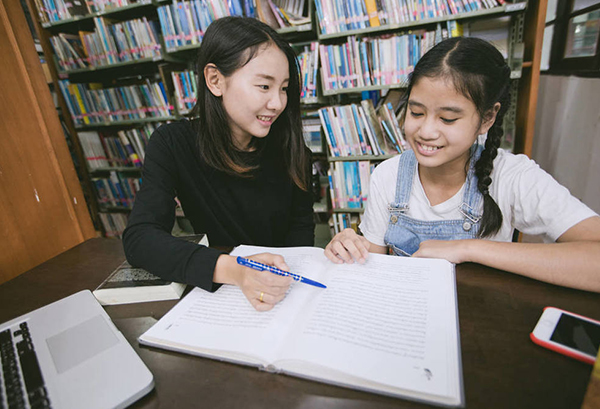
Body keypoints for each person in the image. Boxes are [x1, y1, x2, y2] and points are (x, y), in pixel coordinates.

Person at [325, 37, 600, 293]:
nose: (426, 131)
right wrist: (350, 248)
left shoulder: (512, 176)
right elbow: (372, 268)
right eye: (416, 112)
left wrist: (468, 249)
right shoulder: (388, 175)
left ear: (487, 118)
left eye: (447, 119)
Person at [123, 17, 315, 311]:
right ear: (215, 80)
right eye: (264, 86)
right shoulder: (172, 143)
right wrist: (234, 270)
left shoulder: (293, 150)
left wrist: (275, 279)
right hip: (222, 294)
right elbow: (140, 238)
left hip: (278, 294)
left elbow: (301, 239)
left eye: (284, 88)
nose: (277, 103)